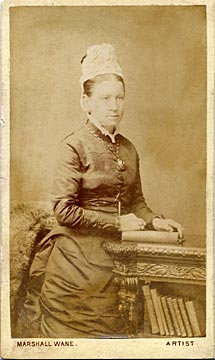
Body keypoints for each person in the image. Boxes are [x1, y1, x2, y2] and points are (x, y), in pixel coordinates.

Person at [24, 43, 184, 338]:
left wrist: (153, 220)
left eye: (120, 97)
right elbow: (63, 210)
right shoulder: (73, 146)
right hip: (76, 261)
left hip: (120, 257)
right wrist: (117, 222)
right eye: (105, 98)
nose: (114, 106)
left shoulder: (128, 147)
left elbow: (136, 200)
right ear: (86, 102)